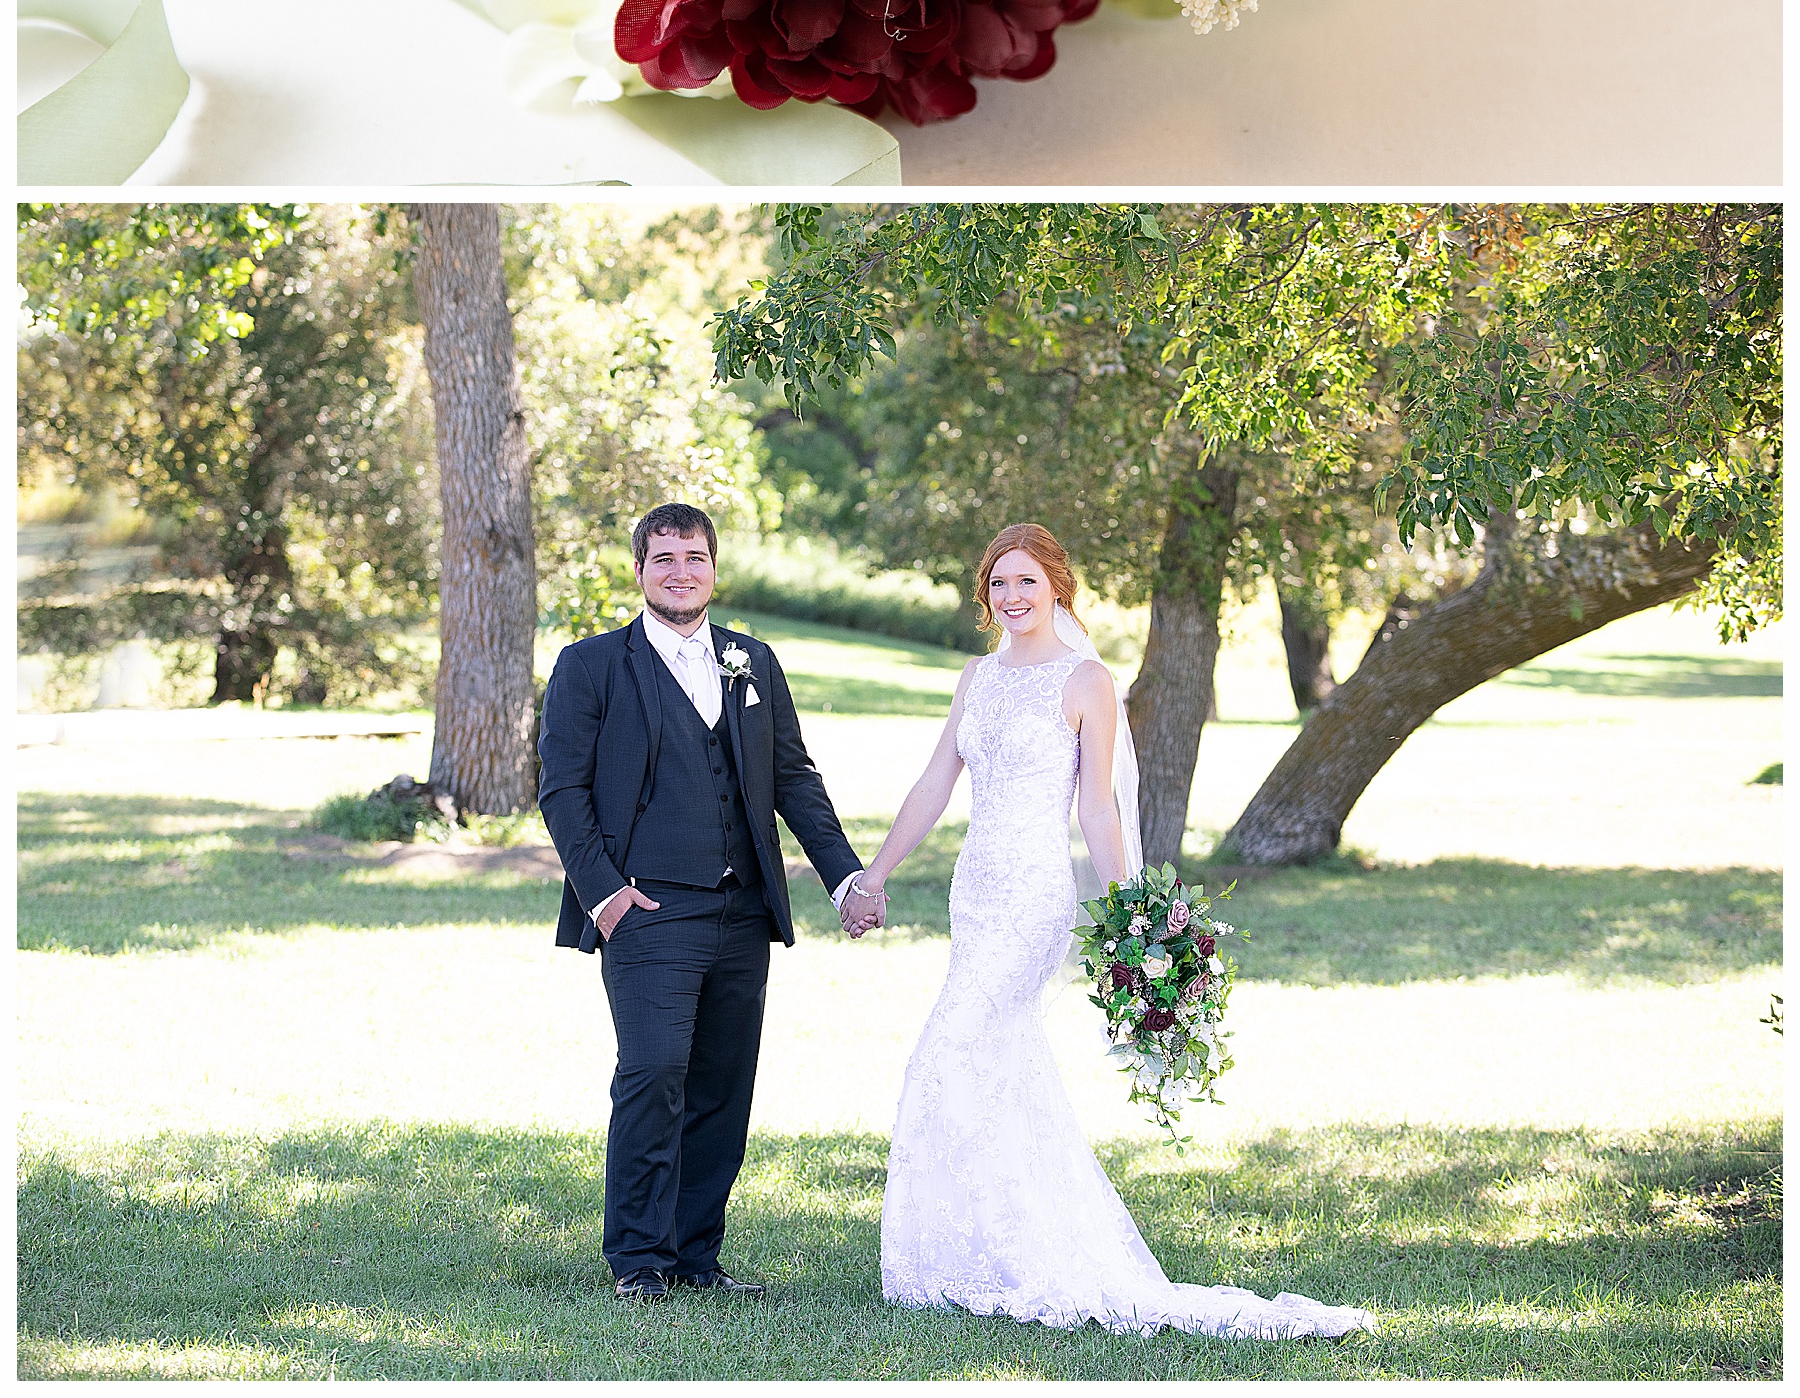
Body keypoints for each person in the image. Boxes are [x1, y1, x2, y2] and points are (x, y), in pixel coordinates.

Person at [840, 522, 1372, 1341]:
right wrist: (872, 875)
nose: (1011, 597)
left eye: (1026, 581)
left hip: (1034, 897)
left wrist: (1132, 912)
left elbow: (1098, 806)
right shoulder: (976, 678)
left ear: (1057, 584)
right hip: (974, 893)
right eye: (997, 584)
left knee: (950, 1052)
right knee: (997, 1061)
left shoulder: (1085, 681)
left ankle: (1003, 1252)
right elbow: (933, 784)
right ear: (984, 594)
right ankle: (979, 1251)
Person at [538, 501, 877, 1303]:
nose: (680, 572)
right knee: (653, 1070)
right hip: (645, 911)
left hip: (740, 913)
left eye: (694, 557)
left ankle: (695, 1256)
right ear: (640, 572)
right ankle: (638, 1258)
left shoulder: (752, 661)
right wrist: (606, 895)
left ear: (713, 568)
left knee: (723, 1084)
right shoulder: (589, 666)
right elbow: (562, 792)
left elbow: (793, 778)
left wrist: (844, 877)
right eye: (664, 559)